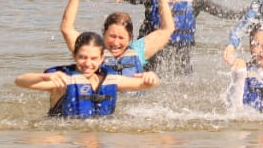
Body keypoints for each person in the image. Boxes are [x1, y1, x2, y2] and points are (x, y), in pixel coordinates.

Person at [16, 31, 160, 119]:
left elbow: (148, 85)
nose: (88, 63)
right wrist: (43, 77)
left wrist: (151, 77)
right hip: (65, 137)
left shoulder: (111, 80)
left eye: (93, 58)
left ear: (102, 58)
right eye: (82, 57)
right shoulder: (64, 81)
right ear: (74, 56)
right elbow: (20, 81)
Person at [60, 0, 174, 76]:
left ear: (130, 38)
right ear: (103, 34)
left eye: (121, 38)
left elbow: (167, 29)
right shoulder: (92, 51)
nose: (116, 43)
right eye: (112, 36)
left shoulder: (138, 52)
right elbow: (66, 29)